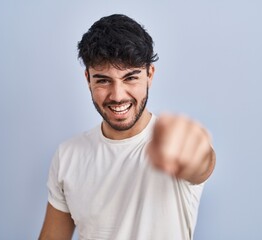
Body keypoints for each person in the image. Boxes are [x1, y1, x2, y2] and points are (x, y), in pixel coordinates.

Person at [39, 14, 216, 240]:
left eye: (130, 78)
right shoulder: (68, 154)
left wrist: (195, 151)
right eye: (103, 80)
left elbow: (200, 164)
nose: (118, 95)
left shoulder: (174, 145)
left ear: (149, 74)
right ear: (88, 79)